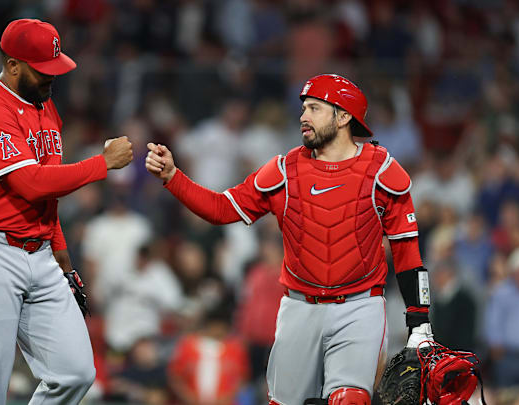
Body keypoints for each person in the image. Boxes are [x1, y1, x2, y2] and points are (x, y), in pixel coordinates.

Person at [145, 74, 433, 405]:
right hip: (299, 307)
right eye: (303, 108)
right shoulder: (283, 171)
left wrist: (419, 322)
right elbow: (221, 209)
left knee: (350, 400)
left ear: (343, 117)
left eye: (314, 108)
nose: (303, 117)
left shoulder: (383, 172)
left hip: (360, 307)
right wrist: (172, 177)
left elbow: (408, 251)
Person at [0, 19, 133, 405]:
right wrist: (102, 164)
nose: (51, 77)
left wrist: (60, 251)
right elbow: (30, 183)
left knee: (75, 373)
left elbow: (46, 195)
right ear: (12, 65)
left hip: (38, 251)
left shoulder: (46, 107)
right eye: (42, 69)